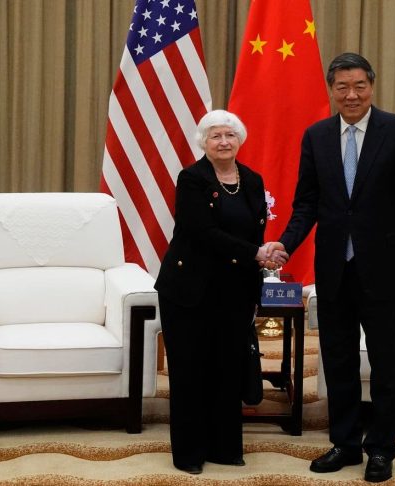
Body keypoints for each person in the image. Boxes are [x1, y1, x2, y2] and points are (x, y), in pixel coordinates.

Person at [266, 53, 395, 483]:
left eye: (359, 86)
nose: (351, 95)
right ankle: (345, 443)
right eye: (342, 87)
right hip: (335, 269)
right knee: (338, 361)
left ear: (371, 86)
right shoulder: (317, 136)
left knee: (387, 363)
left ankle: (382, 449)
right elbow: (307, 203)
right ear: (332, 90)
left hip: (386, 270)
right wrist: (286, 243)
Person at [154, 110, 287, 475]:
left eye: (230, 135)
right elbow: (202, 232)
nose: (224, 142)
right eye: (216, 136)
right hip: (189, 289)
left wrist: (264, 255)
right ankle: (189, 453)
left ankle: (224, 447)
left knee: (228, 368)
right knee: (190, 370)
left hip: (236, 289)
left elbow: (255, 230)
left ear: (239, 140)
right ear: (204, 142)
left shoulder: (253, 180)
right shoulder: (192, 179)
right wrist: (255, 253)